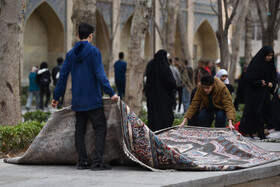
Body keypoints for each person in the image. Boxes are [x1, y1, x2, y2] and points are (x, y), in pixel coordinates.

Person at [51, 23, 118, 170]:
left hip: (78, 100)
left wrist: (57, 96)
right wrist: (111, 93)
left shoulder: (70, 54)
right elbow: (100, 74)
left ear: (77, 35)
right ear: (91, 36)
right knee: (100, 128)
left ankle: (82, 162)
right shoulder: (94, 52)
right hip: (93, 99)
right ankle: (97, 162)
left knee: (79, 131)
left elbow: (63, 76)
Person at [239, 46, 277, 139]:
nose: (270, 58)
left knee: (262, 112)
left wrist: (272, 83)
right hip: (254, 93)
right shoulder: (256, 63)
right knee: (253, 111)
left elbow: (274, 77)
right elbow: (249, 77)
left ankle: (261, 133)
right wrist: (259, 82)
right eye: (268, 55)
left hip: (265, 93)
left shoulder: (270, 65)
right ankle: (249, 132)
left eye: (271, 56)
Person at [145, 49, 177, 132]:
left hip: (152, 98)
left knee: (154, 116)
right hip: (164, 98)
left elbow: (147, 82)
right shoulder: (165, 67)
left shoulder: (150, 66)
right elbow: (172, 82)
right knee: (164, 117)